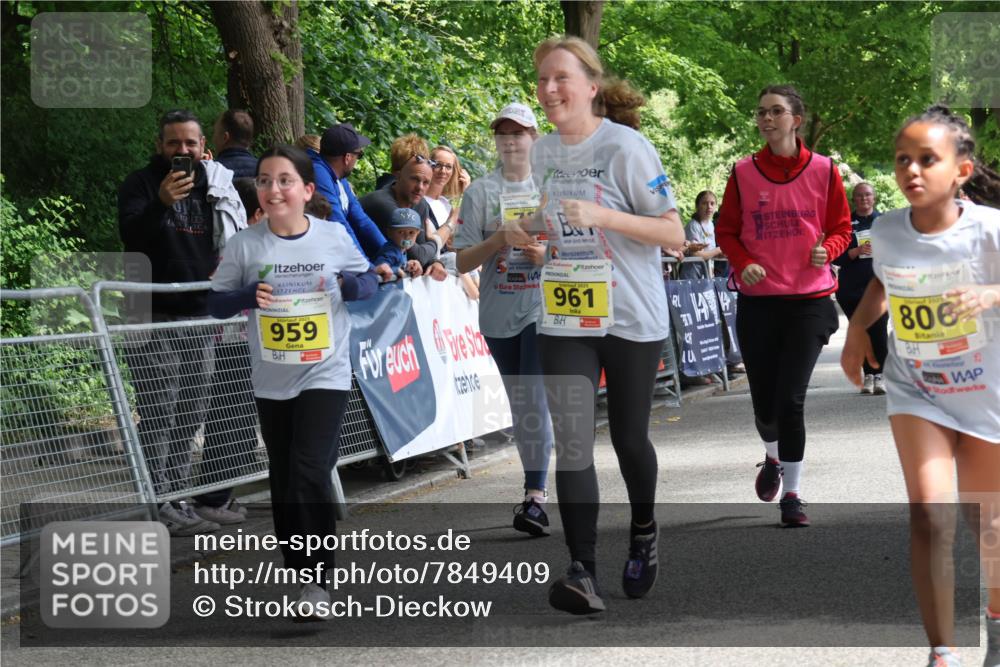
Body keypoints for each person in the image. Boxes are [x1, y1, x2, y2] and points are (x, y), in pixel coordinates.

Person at [529, 37, 686, 614]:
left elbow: (673, 231)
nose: (549, 90)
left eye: (561, 78)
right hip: (568, 313)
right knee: (572, 441)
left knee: (626, 438)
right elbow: (552, 221)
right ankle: (581, 570)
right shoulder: (542, 153)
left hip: (629, 314)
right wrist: (530, 233)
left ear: (591, 86)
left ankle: (643, 529)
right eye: (543, 79)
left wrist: (603, 216)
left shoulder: (628, 146)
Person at [840, 105, 1000, 667]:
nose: (911, 170)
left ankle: (997, 632)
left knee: (989, 522)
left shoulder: (989, 230)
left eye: (926, 160)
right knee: (930, 514)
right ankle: (943, 652)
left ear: (960, 170)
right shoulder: (886, 229)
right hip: (918, 389)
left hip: (986, 391)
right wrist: (858, 330)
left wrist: (989, 295)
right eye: (902, 160)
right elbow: (883, 283)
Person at [209, 145, 377, 620]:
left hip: (326, 372)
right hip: (271, 378)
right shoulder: (246, 244)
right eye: (264, 180)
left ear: (306, 190)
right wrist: (246, 295)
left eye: (284, 180)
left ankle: (318, 580)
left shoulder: (331, 237)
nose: (273, 188)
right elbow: (215, 303)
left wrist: (349, 286)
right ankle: (301, 570)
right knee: (285, 479)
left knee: (308, 468)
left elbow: (368, 284)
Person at [716, 84, 851, 527]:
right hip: (758, 304)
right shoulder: (742, 172)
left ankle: (792, 494)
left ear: (797, 119)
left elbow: (842, 228)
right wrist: (743, 262)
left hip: (809, 302)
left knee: (791, 400)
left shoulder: (825, 170)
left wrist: (828, 249)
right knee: (765, 405)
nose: (767, 119)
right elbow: (727, 231)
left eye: (776, 111)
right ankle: (772, 458)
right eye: (761, 112)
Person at [118, 109, 247, 536]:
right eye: (174, 143)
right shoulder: (139, 184)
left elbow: (230, 234)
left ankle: (177, 495)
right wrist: (161, 203)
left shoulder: (213, 182)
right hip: (150, 313)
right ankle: (157, 499)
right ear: (160, 146)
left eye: (190, 143)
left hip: (199, 313)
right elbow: (131, 238)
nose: (183, 151)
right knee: (160, 409)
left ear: (202, 145)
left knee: (191, 409)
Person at [454, 102, 554, 537]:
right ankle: (536, 484)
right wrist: (498, 239)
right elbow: (460, 261)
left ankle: (536, 496)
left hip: (542, 306)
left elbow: (581, 247)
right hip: (497, 313)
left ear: (535, 137)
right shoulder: (480, 191)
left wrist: (545, 255)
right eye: (503, 133)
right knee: (522, 404)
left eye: (520, 132)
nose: (511, 140)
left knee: (533, 398)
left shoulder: (551, 186)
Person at [310, 123, 393, 280]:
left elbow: (361, 220)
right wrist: (366, 267)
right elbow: (338, 224)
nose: (357, 160)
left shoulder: (340, 178)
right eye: (359, 155)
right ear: (347, 158)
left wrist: (392, 256)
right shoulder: (319, 173)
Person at [359, 141, 448, 280]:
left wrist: (435, 262)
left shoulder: (420, 203)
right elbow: (418, 254)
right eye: (414, 179)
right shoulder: (381, 203)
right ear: (398, 175)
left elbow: (422, 256)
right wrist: (437, 240)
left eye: (426, 183)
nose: (420, 187)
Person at [832, 182, 888, 395]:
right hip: (852, 288)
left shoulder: (884, 223)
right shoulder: (844, 224)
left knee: (879, 331)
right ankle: (868, 376)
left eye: (868, 195)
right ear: (853, 199)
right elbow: (835, 256)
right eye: (859, 196)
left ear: (874, 198)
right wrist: (855, 252)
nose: (864, 199)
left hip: (879, 285)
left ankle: (881, 374)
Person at [681, 190, 724, 279]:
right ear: (697, 206)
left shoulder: (711, 225)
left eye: (712, 204)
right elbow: (696, 254)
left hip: (707, 273)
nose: (709, 207)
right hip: (692, 275)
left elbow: (709, 251)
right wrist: (718, 250)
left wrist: (719, 254)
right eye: (705, 203)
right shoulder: (693, 225)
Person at [382, 208, 427, 279]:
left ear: (417, 233)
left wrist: (407, 265)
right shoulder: (391, 252)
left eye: (411, 232)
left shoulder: (400, 249)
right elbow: (378, 268)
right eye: (401, 232)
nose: (407, 236)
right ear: (390, 233)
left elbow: (398, 264)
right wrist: (395, 270)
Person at [212, 109, 257, 178]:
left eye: (215, 133)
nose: (214, 139)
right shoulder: (263, 171)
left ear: (225, 137)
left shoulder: (211, 173)